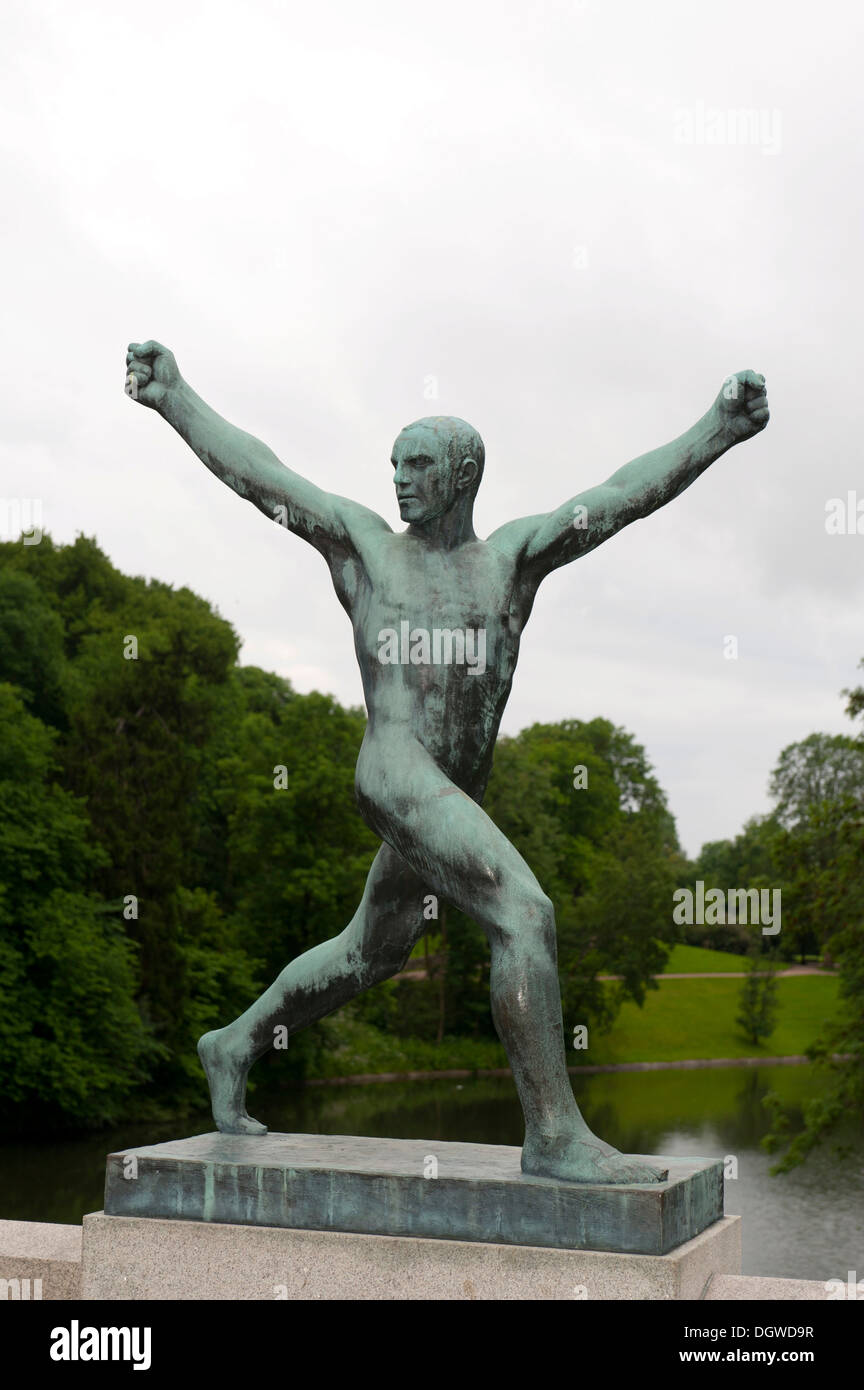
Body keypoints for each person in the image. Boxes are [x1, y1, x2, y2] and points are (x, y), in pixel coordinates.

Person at [125, 341, 768, 1182]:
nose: (399, 478)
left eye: (419, 464)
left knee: (373, 950)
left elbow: (617, 497)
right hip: (394, 771)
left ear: (462, 474)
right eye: (394, 462)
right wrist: (175, 397)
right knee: (525, 913)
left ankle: (233, 1043)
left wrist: (715, 430)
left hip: (447, 794)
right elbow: (264, 473)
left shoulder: (508, 561)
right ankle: (555, 1136)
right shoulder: (366, 550)